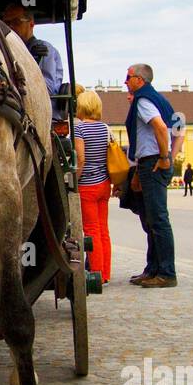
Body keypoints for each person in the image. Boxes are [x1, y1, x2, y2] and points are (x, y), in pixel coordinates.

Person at [124, 63, 178, 288]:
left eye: (128, 77)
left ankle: (166, 272)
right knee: (150, 219)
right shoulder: (156, 98)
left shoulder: (144, 100)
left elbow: (161, 127)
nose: (125, 81)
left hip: (153, 162)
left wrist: (164, 157)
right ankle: (153, 268)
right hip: (148, 162)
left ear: (140, 79)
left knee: (157, 219)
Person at [2, 4, 66, 131]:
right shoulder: (3, 51)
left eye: (16, 22)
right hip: (13, 113)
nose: (10, 27)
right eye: (6, 23)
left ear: (31, 24)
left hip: (41, 117)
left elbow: (45, 88)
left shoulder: (43, 51)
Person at [72, 90, 112, 284]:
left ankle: (95, 272)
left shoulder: (80, 130)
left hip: (87, 185)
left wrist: (75, 179)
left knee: (91, 229)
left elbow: (81, 158)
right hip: (105, 184)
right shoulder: (105, 128)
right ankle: (105, 272)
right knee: (104, 229)